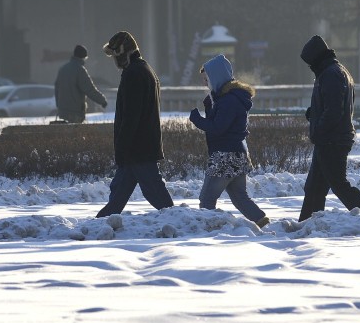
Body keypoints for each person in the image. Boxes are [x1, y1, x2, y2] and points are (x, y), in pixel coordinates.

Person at [297, 35, 360, 222]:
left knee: (338, 184)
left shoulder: (330, 74)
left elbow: (334, 111)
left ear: (316, 58)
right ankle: (308, 222)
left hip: (332, 139)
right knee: (314, 187)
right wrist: (315, 113)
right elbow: (333, 105)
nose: (309, 66)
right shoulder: (335, 71)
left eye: (310, 62)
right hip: (330, 137)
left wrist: (318, 128)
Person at [96, 31, 174, 217]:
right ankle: (98, 225)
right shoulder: (145, 69)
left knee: (156, 194)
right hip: (141, 147)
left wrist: (122, 146)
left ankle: (180, 223)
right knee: (118, 195)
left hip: (137, 149)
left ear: (122, 53)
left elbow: (131, 116)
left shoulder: (133, 74)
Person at [189, 55, 269, 228]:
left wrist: (196, 119)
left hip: (224, 156)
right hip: (238, 154)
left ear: (216, 77)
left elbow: (218, 128)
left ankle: (209, 230)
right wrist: (210, 106)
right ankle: (263, 223)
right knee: (240, 197)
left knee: (207, 199)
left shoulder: (228, 101)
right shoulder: (229, 99)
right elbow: (223, 124)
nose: (205, 83)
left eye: (207, 79)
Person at [54, 44, 108, 123]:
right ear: (84, 57)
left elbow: (57, 89)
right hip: (75, 112)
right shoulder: (80, 70)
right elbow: (89, 89)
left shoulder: (62, 69)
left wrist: (59, 106)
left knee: (66, 134)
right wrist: (102, 101)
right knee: (77, 134)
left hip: (62, 112)